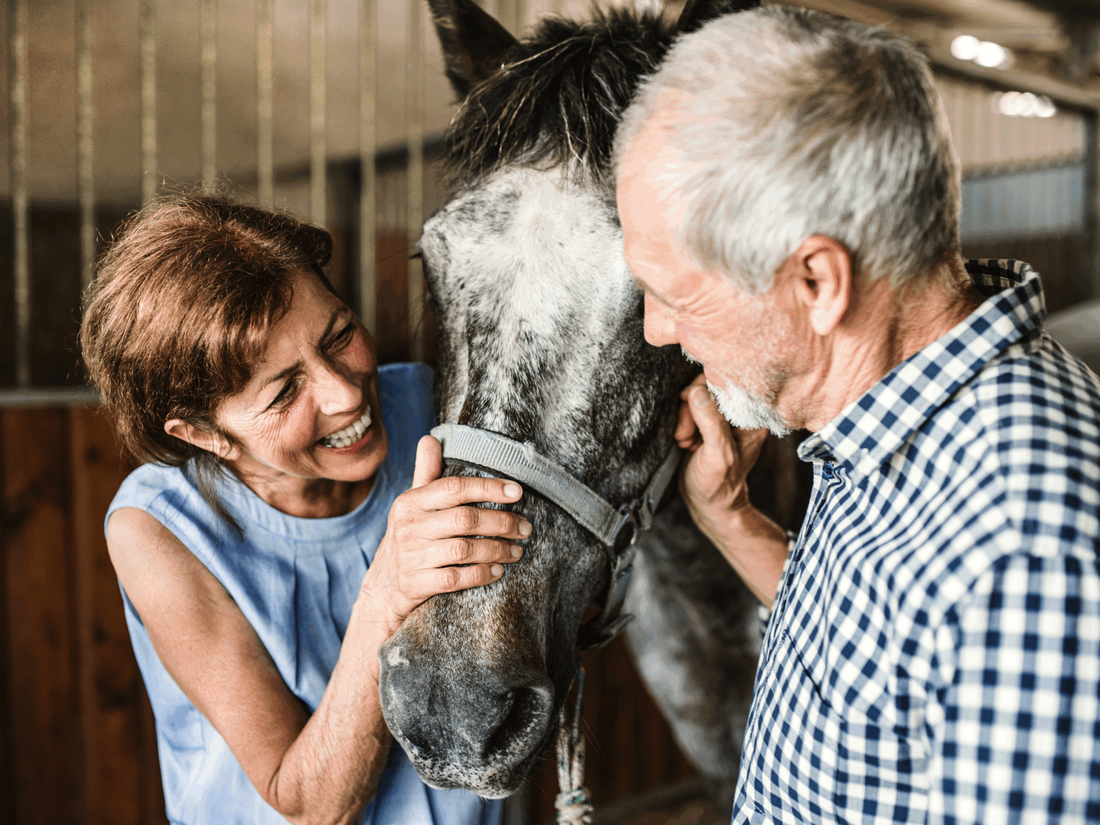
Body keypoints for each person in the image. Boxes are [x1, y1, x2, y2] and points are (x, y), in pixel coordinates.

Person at [614, 6, 1100, 824]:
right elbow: (882, 660)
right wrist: (732, 520)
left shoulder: (1026, 553)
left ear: (817, 283)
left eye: (675, 293)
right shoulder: (884, 413)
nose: (658, 329)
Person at [79, 193, 530, 825]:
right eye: (286, 390)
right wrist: (385, 595)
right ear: (203, 434)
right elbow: (313, 807)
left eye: (340, 334)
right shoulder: (158, 530)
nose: (345, 394)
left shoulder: (429, 408)